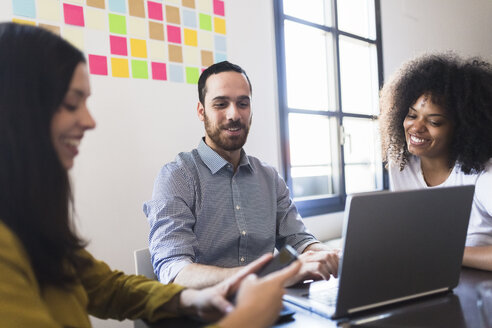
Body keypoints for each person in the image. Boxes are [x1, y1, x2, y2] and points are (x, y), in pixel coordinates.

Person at [0, 22, 301, 328]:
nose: (90, 121)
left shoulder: (31, 222)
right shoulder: (179, 175)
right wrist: (249, 316)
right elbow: (172, 266)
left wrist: (191, 299)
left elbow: (110, 288)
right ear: (18, 108)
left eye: (243, 103)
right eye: (71, 103)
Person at [143, 61, 339, 289]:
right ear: (201, 111)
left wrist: (332, 255)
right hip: (207, 313)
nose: (234, 114)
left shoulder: (268, 177)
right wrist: (267, 277)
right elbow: (175, 270)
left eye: (242, 104)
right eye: (221, 104)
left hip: (268, 306)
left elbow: (299, 240)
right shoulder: (177, 177)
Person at [379, 53, 492, 271]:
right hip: (429, 278)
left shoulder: (484, 174)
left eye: (434, 121)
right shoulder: (401, 167)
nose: (417, 127)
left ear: (462, 128)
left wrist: (447, 253)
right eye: (412, 115)